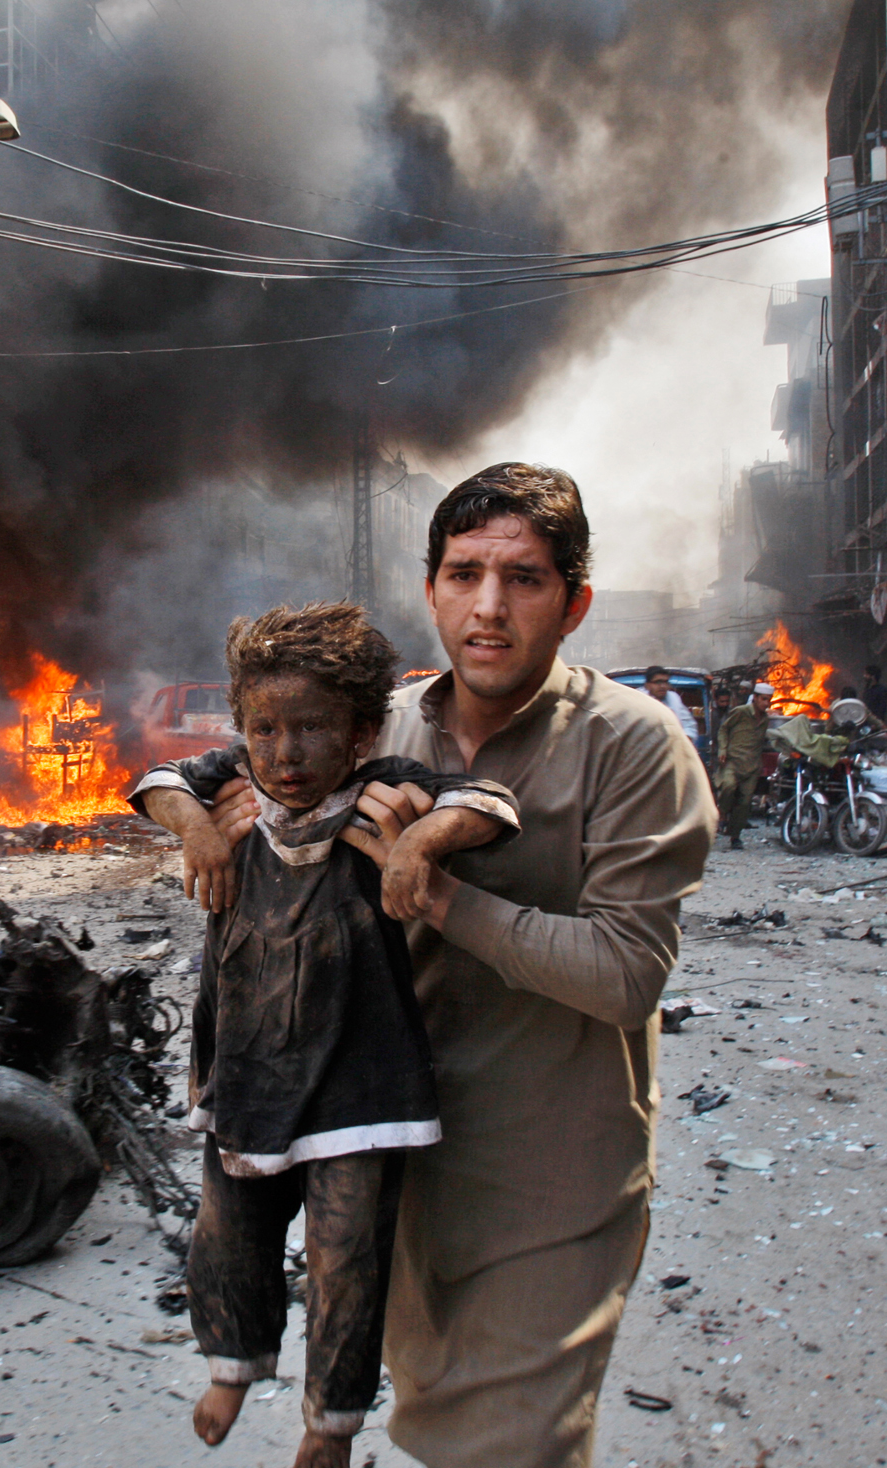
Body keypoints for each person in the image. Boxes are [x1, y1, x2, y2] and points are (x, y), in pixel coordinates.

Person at [207, 464, 717, 1468]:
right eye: (462, 572)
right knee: (424, 1418)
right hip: (388, 1156)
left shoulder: (631, 746)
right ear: (430, 587)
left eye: (523, 580)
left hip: (548, 1183)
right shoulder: (371, 730)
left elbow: (624, 974)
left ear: (573, 603)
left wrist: (432, 887)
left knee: (503, 1447)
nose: (487, 608)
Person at [131, 602, 519, 1468]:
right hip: (246, 1068)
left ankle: (330, 1423)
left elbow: (488, 804)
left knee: (346, 1258)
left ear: (359, 730)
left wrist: (422, 842)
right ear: (240, 726)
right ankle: (233, 1363)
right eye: (264, 728)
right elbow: (156, 781)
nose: (285, 752)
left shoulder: (381, 793)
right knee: (227, 1234)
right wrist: (196, 828)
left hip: (361, 1078)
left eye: (311, 728)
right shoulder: (229, 790)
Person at [716, 681, 773, 850]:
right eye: (763, 699)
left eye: (769, 700)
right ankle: (722, 814)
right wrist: (723, 749)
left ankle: (735, 837)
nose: (766, 703)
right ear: (754, 698)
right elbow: (723, 730)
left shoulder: (765, 719)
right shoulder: (740, 712)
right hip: (732, 761)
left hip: (752, 766)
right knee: (728, 786)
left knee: (745, 803)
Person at [643, 664, 699, 742]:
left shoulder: (674, 698)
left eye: (665, 682)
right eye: (658, 682)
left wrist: (684, 739)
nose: (662, 686)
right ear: (647, 685)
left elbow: (688, 725)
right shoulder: (640, 699)